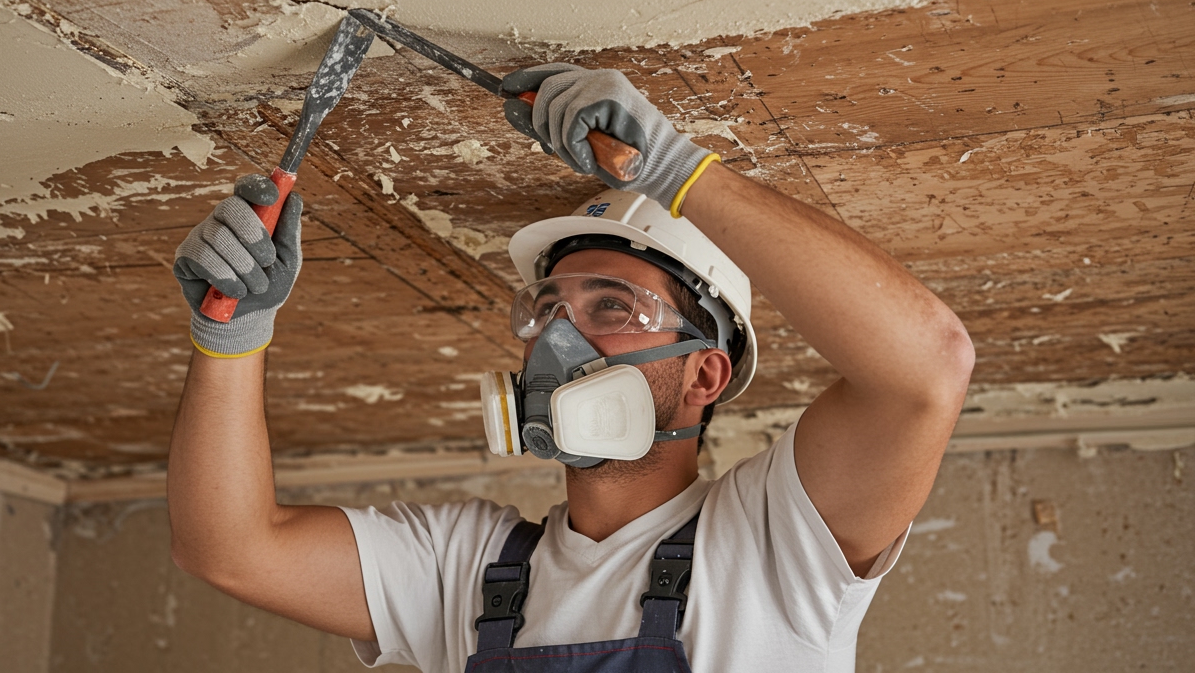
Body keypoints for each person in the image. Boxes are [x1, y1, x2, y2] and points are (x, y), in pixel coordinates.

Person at [167, 64, 975, 672]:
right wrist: (230, 337)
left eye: (612, 308)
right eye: (549, 306)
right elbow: (231, 548)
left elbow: (926, 370)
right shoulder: (471, 569)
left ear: (705, 376)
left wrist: (677, 172)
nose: (560, 336)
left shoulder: (770, 544)